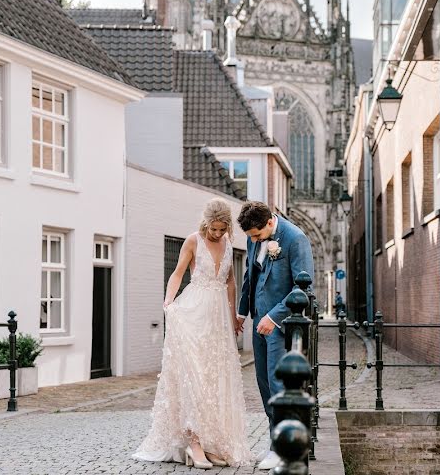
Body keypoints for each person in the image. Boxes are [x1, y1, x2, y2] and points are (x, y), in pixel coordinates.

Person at [133, 199, 252, 469]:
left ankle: (209, 443)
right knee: (194, 377)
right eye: (215, 229)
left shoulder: (228, 244)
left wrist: (234, 316)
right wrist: (168, 303)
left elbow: (231, 281)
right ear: (207, 223)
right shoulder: (192, 241)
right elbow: (176, 275)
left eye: (223, 230)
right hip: (195, 312)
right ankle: (194, 443)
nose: (218, 234)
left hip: (219, 317)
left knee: (214, 378)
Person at [236, 201, 314, 471]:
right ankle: (274, 441)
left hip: (279, 326)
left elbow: (303, 288)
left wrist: (274, 317)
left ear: (270, 222)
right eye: (251, 237)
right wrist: (242, 312)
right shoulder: (254, 237)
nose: (255, 240)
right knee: (264, 384)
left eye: (257, 235)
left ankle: (282, 450)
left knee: (279, 385)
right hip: (259, 321)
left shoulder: (295, 239)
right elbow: (250, 276)